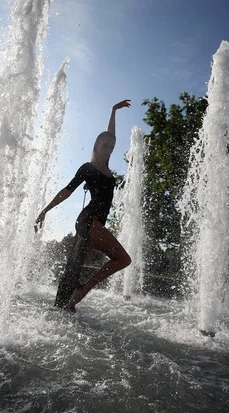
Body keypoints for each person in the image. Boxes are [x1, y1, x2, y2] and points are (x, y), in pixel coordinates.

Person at [34, 99, 132, 312]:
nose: (109, 149)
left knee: (74, 268)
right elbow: (67, 191)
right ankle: (83, 290)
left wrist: (113, 110)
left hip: (97, 222)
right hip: (90, 221)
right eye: (105, 146)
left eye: (112, 147)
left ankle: (64, 306)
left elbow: (110, 135)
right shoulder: (87, 168)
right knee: (123, 259)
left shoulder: (106, 166)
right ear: (96, 145)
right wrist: (45, 210)